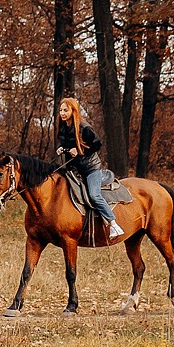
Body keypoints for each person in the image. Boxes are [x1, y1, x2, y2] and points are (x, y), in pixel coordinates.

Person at [57, 96, 122, 241]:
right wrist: (61, 148)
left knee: (94, 195)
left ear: (73, 111)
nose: (62, 113)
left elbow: (97, 144)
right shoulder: (63, 127)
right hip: (73, 169)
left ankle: (113, 224)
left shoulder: (85, 128)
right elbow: (63, 142)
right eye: (61, 110)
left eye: (65, 110)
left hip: (90, 169)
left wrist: (80, 151)